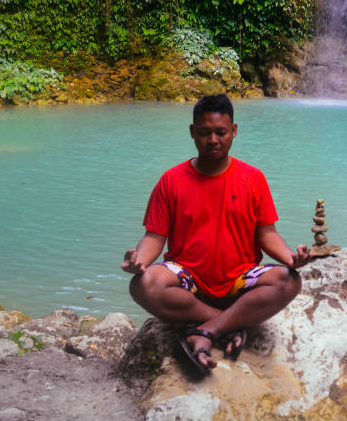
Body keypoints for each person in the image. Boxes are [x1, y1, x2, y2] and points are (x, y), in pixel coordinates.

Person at [121, 94, 310, 371]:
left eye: (220, 132)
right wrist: (140, 261)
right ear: (192, 133)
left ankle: (205, 330)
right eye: (204, 133)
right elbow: (154, 237)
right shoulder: (171, 180)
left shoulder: (252, 178)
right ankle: (227, 323)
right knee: (142, 284)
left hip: (239, 281)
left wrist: (291, 258)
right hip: (189, 280)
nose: (213, 140)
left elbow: (267, 234)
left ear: (234, 131)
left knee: (289, 282)